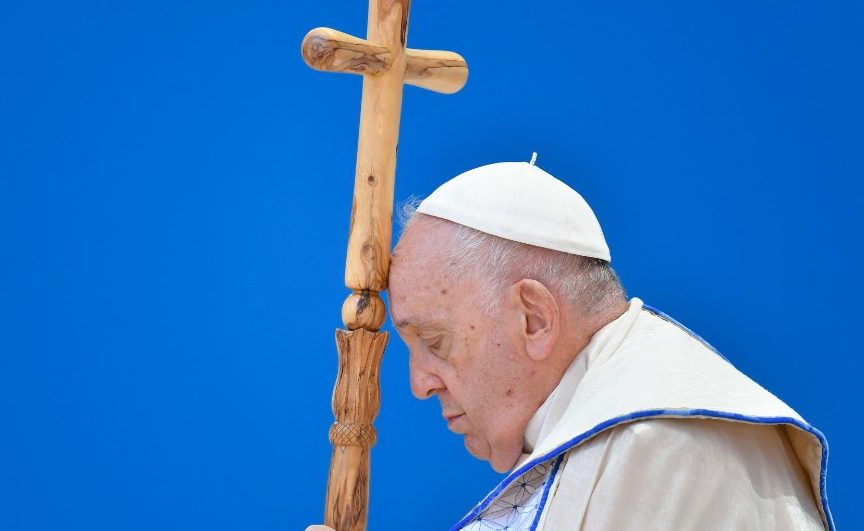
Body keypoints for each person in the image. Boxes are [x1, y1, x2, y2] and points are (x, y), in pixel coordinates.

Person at [309, 161, 833, 530]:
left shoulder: (658, 447)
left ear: (535, 319)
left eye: (434, 341)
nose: (419, 384)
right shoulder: (613, 428)